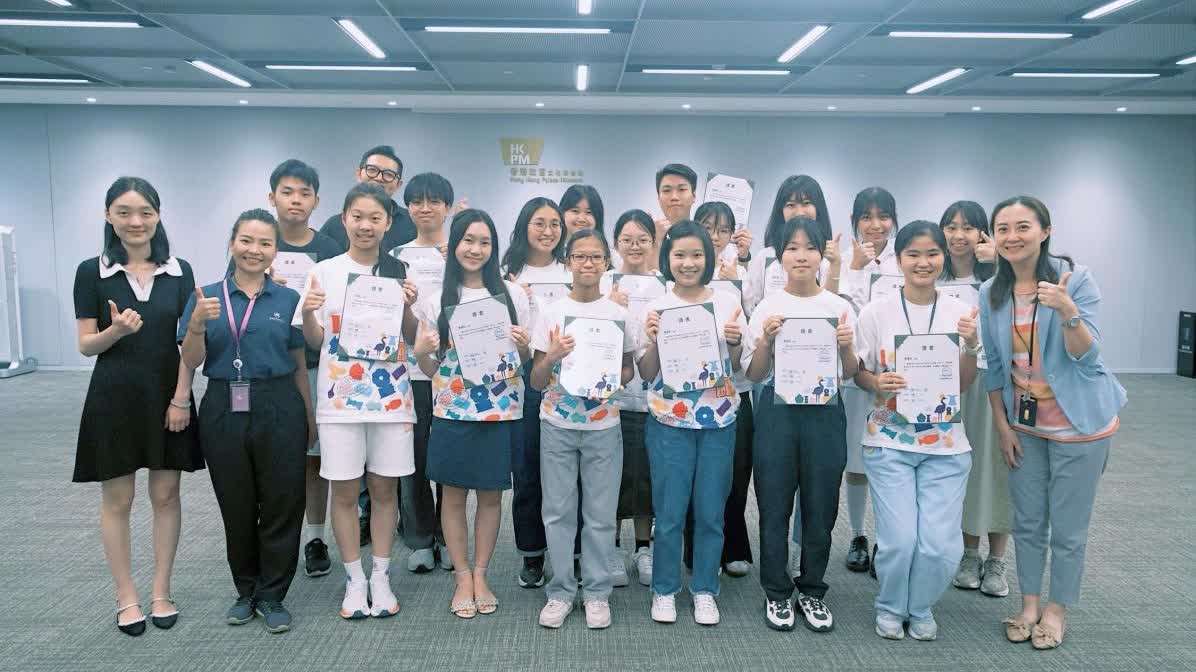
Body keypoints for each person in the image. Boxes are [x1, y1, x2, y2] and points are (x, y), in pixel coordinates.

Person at [980, 196, 1125, 651]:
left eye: (1023, 227)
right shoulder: (991, 292)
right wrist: (1003, 426)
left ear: (1045, 231)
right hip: (1026, 426)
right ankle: (1028, 605)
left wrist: (1066, 309)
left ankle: (1057, 610)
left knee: (1068, 527)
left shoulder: (1074, 280)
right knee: (1027, 522)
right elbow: (994, 366)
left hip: (1080, 425)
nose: (1012, 237)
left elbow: (1087, 355)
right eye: (1003, 229)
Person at [72, 176, 203, 636]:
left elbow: (190, 342)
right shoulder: (92, 271)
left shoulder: (180, 271)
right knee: (118, 500)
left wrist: (181, 398)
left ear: (158, 216)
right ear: (108, 216)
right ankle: (125, 595)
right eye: (124, 212)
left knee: (166, 495)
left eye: (145, 212)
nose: (136, 221)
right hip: (114, 398)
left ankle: (161, 590)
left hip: (169, 396)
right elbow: (86, 345)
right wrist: (116, 332)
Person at [180, 209, 311, 633]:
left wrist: (308, 416)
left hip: (279, 402)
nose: (255, 250)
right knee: (236, 503)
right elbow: (192, 360)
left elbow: (298, 361)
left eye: (265, 243)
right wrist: (196, 325)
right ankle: (246, 589)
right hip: (223, 402)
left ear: (275, 251)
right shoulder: (204, 296)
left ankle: (272, 595)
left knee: (282, 502)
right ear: (232, 243)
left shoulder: (288, 299)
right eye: (247, 241)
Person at [854, 220, 981, 641]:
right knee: (899, 541)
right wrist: (877, 382)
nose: (923, 262)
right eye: (913, 254)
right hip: (889, 440)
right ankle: (891, 606)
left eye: (932, 254)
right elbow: (859, 371)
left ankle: (921, 605)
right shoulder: (876, 311)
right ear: (898, 259)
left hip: (946, 445)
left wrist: (971, 345)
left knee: (941, 546)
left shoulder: (961, 312)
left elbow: (964, 383)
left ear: (944, 257)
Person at [299, 183, 420, 620]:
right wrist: (309, 311)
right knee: (345, 490)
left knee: (385, 490)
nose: (365, 225)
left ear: (388, 223)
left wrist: (409, 305)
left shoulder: (399, 270)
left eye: (375, 218)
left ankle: (381, 576)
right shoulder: (324, 271)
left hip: (391, 400)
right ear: (344, 219)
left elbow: (412, 337)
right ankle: (355, 579)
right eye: (357, 216)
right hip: (340, 400)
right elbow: (315, 341)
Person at [412, 209, 532, 618]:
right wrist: (421, 353)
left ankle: (481, 574)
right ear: (454, 245)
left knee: (491, 495)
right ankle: (461, 576)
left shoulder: (514, 296)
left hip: (499, 411)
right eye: (468, 240)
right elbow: (430, 369)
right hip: (452, 410)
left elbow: (525, 359)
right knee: (452, 494)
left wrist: (524, 346)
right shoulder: (435, 300)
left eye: (484, 242)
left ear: (494, 248)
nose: (475, 249)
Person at [742, 216, 857, 632]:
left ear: (821, 254)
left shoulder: (838, 307)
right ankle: (776, 591)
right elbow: (754, 374)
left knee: (820, 506)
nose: (801, 255)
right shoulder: (767, 308)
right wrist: (766, 343)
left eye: (810, 247)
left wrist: (846, 348)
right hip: (778, 412)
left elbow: (850, 372)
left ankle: (811, 589)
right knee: (774, 505)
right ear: (781, 256)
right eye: (792, 247)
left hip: (825, 411)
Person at [637, 221, 748, 626]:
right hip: (669, 421)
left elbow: (738, 368)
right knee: (669, 512)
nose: (688, 263)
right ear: (668, 258)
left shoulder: (728, 301)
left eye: (697, 254)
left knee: (711, 511)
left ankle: (704, 588)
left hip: (719, 421)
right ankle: (665, 589)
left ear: (709, 258)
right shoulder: (656, 305)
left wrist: (735, 342)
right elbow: (645, 371)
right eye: (680, 255)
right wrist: (653, 340)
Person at [530, 229, 636, 629]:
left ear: (606, 263)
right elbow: (536, 379)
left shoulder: (619, 314)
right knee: (557, 511)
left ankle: (596, 592)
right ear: (568, 262)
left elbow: (628, 369)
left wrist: (611, 377)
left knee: (600, 514)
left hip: (603, 424)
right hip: (557, 423)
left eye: (595, 257)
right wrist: (553, 356)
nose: (588, 263)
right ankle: (560, 591)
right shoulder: (552, 312)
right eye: (580, 256)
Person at [250, 159, 342, 580]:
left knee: (313, 457)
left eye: (305, 193)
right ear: (272, 197)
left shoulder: (329, 248)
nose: (295, 200)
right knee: (269, 459)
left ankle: (315, 538)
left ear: (316, 201)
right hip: (267, 368)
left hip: (317, 365)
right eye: (287, 192)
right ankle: (268, 537)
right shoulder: (256, 244)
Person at [937, 201, 1010, 597]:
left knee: (994, 466)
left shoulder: (1001, 277)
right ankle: (969, 554)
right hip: (945, 383)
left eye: (968, 227)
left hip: (991, 381)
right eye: (951, 226)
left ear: (983, 233)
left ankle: (997, 560)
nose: (958, 235)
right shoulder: (934, 275)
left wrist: (1000, 264)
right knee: (959, 467)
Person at [502, 197, 569, 588]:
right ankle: (532, 552)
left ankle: (569, 551)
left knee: (566, 469)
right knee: (527, 466)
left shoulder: (572, 269)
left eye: (555, 223)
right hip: (525, 373)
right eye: (539, 223)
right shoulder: (507, 274)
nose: (548, 231)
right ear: (524, 226)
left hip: (571, 374)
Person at [391, 172, 455, 573]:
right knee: (410, 459)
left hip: (452, 375)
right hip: (407, 373)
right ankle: (418, 537)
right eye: (417, 201)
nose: (425, 208)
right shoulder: (395, 256)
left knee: (447, 459)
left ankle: (448, 536)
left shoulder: (460, 254)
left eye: (434, 201)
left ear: (448, 208)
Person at [687, 201, 754, 578]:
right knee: (694, 477)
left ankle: (734, 546)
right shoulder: (681, 271)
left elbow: (756, 328)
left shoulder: (742, 276)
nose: (714, 236)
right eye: (707, 226)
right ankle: (695, 547)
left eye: (723, 229)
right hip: (688, 394)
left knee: (734, 474)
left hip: (734, 391)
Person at [840, 186, 900, 576]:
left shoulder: (904, 258)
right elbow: (844, 311)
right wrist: (857, 269)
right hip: (855, 376)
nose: (875, 224)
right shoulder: (845, 261)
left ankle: (885, 541)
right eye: (866, 216)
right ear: (855, 221)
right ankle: (858, 535)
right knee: (857, 459)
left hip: (894, 381)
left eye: (883, 216)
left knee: (890, 460)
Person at [605, 209, 660, 587]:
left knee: (645, 477)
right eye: (627, 240)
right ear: (616, 244)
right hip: (610, 399)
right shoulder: (605, 282)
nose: (635, 246)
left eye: (643, 239)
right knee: (611, 478)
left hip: (652, 399)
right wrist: (611, 308)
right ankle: (611, 548)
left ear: (653, 243)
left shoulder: (665, 286)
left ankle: (643, 548)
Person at [318, 145, 415, 253]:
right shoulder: (333, 226)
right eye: (372, 170)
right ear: (359, 174)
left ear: (398, 185)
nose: (378, 178)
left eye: (388, 174)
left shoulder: (414, 223)